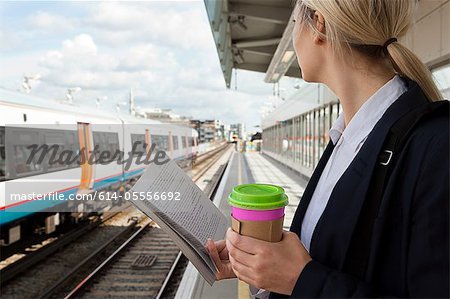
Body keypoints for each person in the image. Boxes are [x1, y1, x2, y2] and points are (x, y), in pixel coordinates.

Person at [206, 0, 449, 297]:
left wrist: (302, 280)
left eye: (295, 24)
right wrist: (262, 266)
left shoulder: (438, 147)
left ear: (318, 24)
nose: (294, 40)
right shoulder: (344, 137)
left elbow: (311, 277)